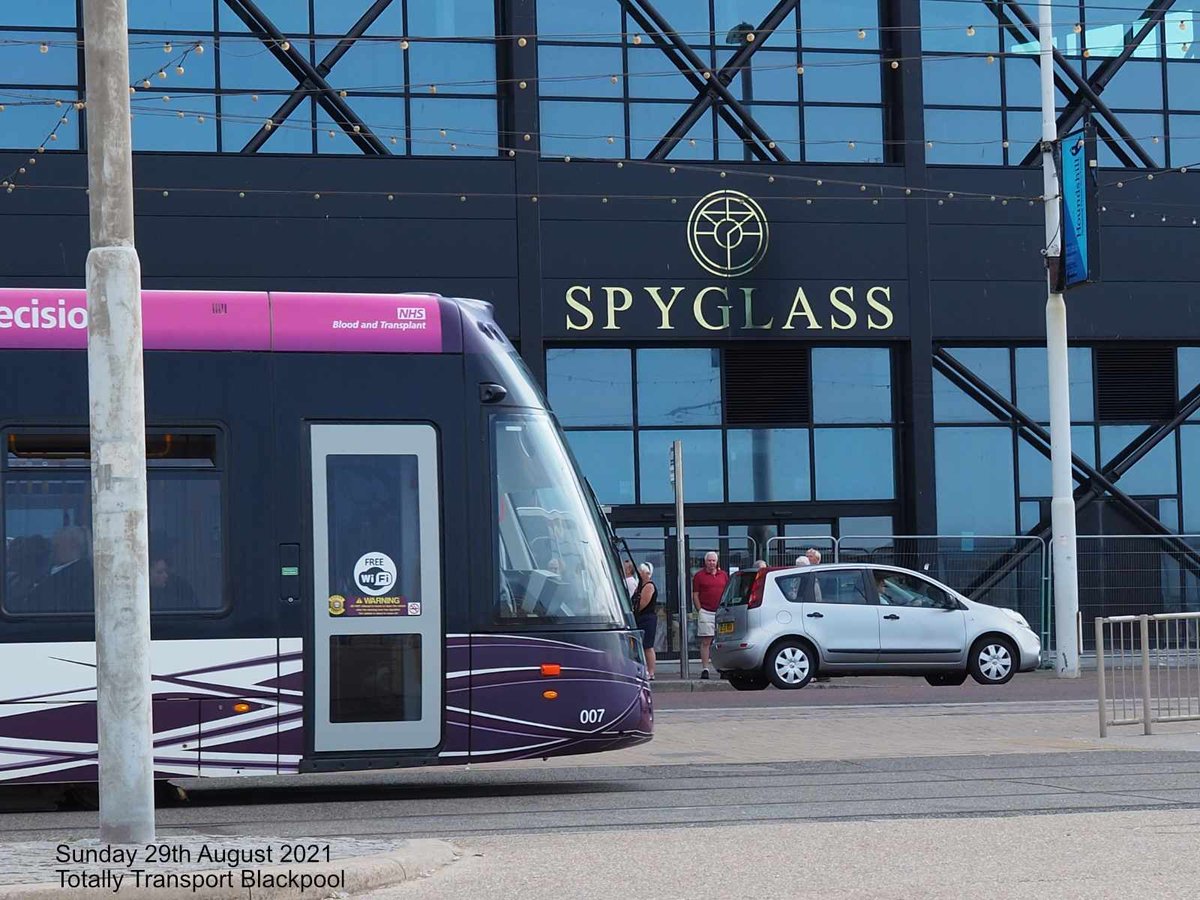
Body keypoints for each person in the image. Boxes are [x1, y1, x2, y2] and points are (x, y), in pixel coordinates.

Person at [691, 551, 728, 680]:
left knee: (722, 641)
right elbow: (695, 594)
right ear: (705, 562)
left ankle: (723, 668)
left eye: (713, 560)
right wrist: (700, 610)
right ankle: (705, 668)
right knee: (706, 641)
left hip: (721, 612)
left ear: (717, 562)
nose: (711, 563)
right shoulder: (699, 576)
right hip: (706, 611)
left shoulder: (723, 575)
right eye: (709, 560)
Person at [631, 562, 658, 680]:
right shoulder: (639, 585)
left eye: (641, 572)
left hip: (647, 618)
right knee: (639, 645)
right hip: (640, 618)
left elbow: (642, 604)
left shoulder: (649, 586)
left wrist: (635, 610)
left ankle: (651, 672)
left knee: (647, 645)